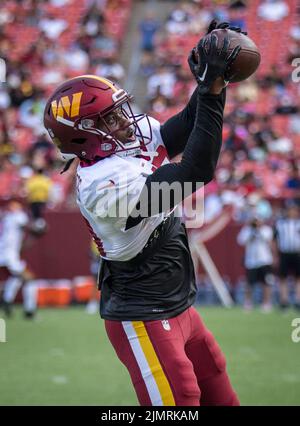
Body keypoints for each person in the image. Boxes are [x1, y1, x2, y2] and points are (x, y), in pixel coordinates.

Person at [43, 21, 241, 406]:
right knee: (178, 402)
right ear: (84, 134)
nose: (125, 121)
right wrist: (213, 90)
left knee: (221, 394)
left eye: (119, 111)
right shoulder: (102, 185)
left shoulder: (117, 144)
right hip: (143, 314)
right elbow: (195, 172)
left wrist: (209, 81)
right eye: (110, 118)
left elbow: (175, 133)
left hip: (177, 303)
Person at [0, 201, 38, 318]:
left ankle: (7, 299)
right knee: (30, 279)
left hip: (6, 252)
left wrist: (33, 237)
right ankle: (29, 311)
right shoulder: (17, 216)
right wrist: (39, 227)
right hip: (9, 255)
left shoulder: (6, 218)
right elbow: (32, 228)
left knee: (17, 278)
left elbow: (22, 244)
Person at [237, 217, 274, 312]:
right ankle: (248, 303)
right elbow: (241, 241)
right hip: (251, 261)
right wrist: (252, 233)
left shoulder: (266, 230)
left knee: (266, 282)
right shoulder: (247, 230)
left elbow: (268, 240)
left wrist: (259, 230)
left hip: (264, 260)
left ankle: (266, 303)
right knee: (249, 283)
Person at [274, 204, 300, 310]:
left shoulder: (298, 224)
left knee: (298, 277)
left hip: (297, 253)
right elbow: (274, 240)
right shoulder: (280, 224)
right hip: (284, 253)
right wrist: (275, 255)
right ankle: (284, 300)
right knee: (282, 277)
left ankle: (298, 299)